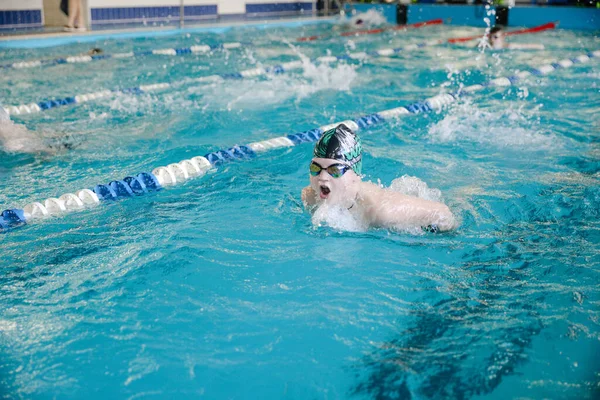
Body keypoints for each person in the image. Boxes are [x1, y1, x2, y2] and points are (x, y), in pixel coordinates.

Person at [301, 124, 457, 232]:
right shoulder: (310, 197)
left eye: (334, 170)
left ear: (355, 175)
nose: (322, 177)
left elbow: (443, 213)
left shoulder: (383, 212)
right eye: (315, 168)